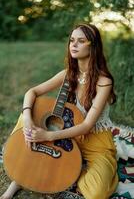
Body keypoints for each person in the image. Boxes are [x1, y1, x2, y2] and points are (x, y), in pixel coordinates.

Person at [0, 23, 118, 199]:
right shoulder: (68, 74)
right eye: (71, 41)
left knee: (97, 193)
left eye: (81, 41)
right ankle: (20, 178)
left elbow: (86, 125)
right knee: (28, 115)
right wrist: (27, 119)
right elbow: (31, 92)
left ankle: (69, 172)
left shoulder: (104, 82)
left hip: (95, 141)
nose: (74, 45)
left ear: (93, 46)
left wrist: (47, 137)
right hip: (66, 135)